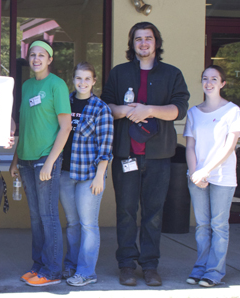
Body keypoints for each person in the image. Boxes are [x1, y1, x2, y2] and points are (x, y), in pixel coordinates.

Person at [100, 22, 189, 286]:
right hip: (126, 155)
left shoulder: (172, 74)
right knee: (126, 211)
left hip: (159, 157)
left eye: (148, 38)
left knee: (154, 213)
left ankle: (150, 266)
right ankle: (127, 265)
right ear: (132, 44)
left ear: (156, 43)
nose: (143, 43)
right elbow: (106, 108)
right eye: (138, 39)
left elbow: (179, 110)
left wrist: (149, 110)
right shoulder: (119, 73)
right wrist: (128, 111)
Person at [9, 39, 72, 287]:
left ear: (50, 59)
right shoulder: (26, 86)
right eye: (32, 55)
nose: (36, 59)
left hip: (46, 159)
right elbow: (24, 126)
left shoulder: (57, 85)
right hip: (25, 159)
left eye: (41, 55)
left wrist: (50, 163)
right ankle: (38, 266)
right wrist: (15, 159)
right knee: (35, 217)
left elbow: (66, 127)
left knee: (48, 216)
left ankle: (53, 270)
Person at [184, 65, 240, 288]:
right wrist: (195, 173)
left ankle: (214, 272)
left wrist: (207, 171)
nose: (209, 83)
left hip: (222, 177)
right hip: (197, 176)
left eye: (214, 79)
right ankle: (200, 268)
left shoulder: (232, 111)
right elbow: (190, 145)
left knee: (219, 226)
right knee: (202, 226)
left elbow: (230, 146)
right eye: (205, 78)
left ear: (222, 83)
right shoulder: (193, 112)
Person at [59, 62, 113, 287]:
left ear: (94, 81)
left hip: (89, 174)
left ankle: (86, 271)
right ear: (73, 80)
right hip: (64, 173)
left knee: (88, 224)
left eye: (87, 79)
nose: (82, 83)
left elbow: (106, 146)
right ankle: (71, 264)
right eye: (79, 78)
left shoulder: (101, 108)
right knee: (72, 223)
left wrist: (100, 175)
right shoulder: (65, 102)